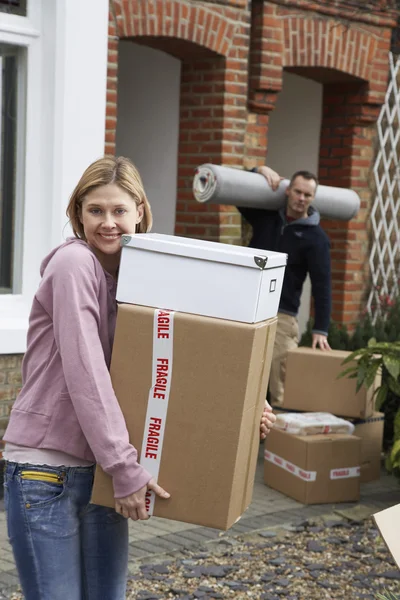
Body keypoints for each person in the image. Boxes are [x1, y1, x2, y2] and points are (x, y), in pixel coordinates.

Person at [2, 156, 276, 600]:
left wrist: (245, 409)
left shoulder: (138, 276)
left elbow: (188, 356)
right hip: (47, 471)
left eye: (119, 210)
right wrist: (126, 470)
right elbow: (86, 371)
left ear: (140, 211)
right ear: (78, 213)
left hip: (103, 470)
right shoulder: (74, 265)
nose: (108, 222)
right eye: (96, 211)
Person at [239, 165, 332, 406]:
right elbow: (238, 192)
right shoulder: (266, 218)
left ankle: (282, 444)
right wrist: (257, 171)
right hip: (247, 307)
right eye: (298, 192)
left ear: (313, 199)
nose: (301, 199)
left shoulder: (316, 238)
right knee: (240, 379)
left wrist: (321, 329)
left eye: (307, 195)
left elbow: (322, 286)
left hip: (282, 317)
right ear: (288, 191)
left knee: (283, 390)